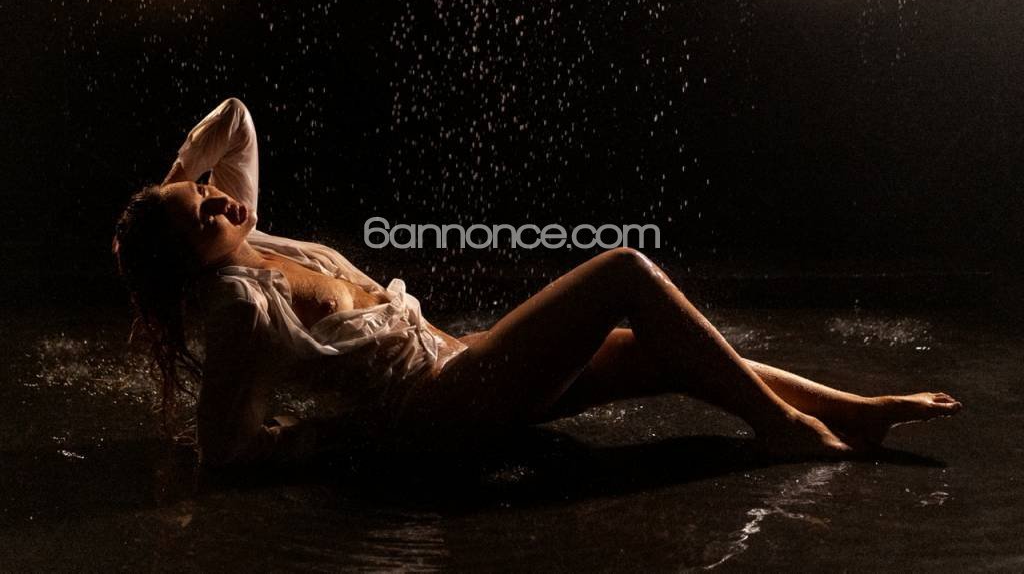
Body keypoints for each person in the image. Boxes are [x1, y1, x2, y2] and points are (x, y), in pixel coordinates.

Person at [112, 98, 962, 470]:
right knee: (624, 272)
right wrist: (333, 442)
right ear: (193, 263)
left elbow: (235, 120)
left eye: (209, 191)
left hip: (463, 364)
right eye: (204, 214)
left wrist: (175, 187)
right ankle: (784, 429)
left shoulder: (245, 235)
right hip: (439, 410)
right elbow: (226, 451)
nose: (220, 198)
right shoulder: (235, 301)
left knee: (655, 351)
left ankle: (855, 412)